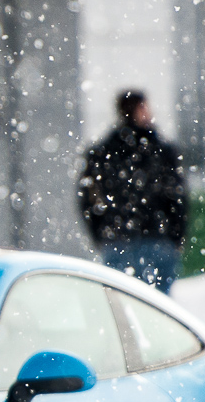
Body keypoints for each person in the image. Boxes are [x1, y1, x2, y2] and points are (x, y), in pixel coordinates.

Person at [78, 90, 188, 293]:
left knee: (123, 308)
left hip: (119, 239)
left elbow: (89, 197)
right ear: (140, 109)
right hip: (156, 238)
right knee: (158, 309)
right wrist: (176, 236)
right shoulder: (160, 150)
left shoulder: (103, 152)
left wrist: (101, 233)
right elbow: (177, 197)